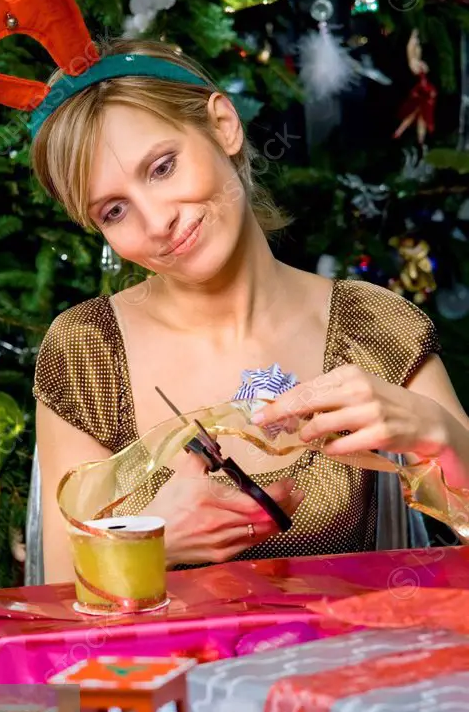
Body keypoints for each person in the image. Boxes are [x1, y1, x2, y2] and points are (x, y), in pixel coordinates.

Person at [31, 37, 469, 585]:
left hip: (347, 668)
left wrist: (442, 436)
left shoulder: (373, 326)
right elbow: (54, 598)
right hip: (163, 673)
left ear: (222, 125)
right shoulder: (87, 352)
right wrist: (148, 539)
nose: (156, 221)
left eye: (163, 168)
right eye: (115, 210)